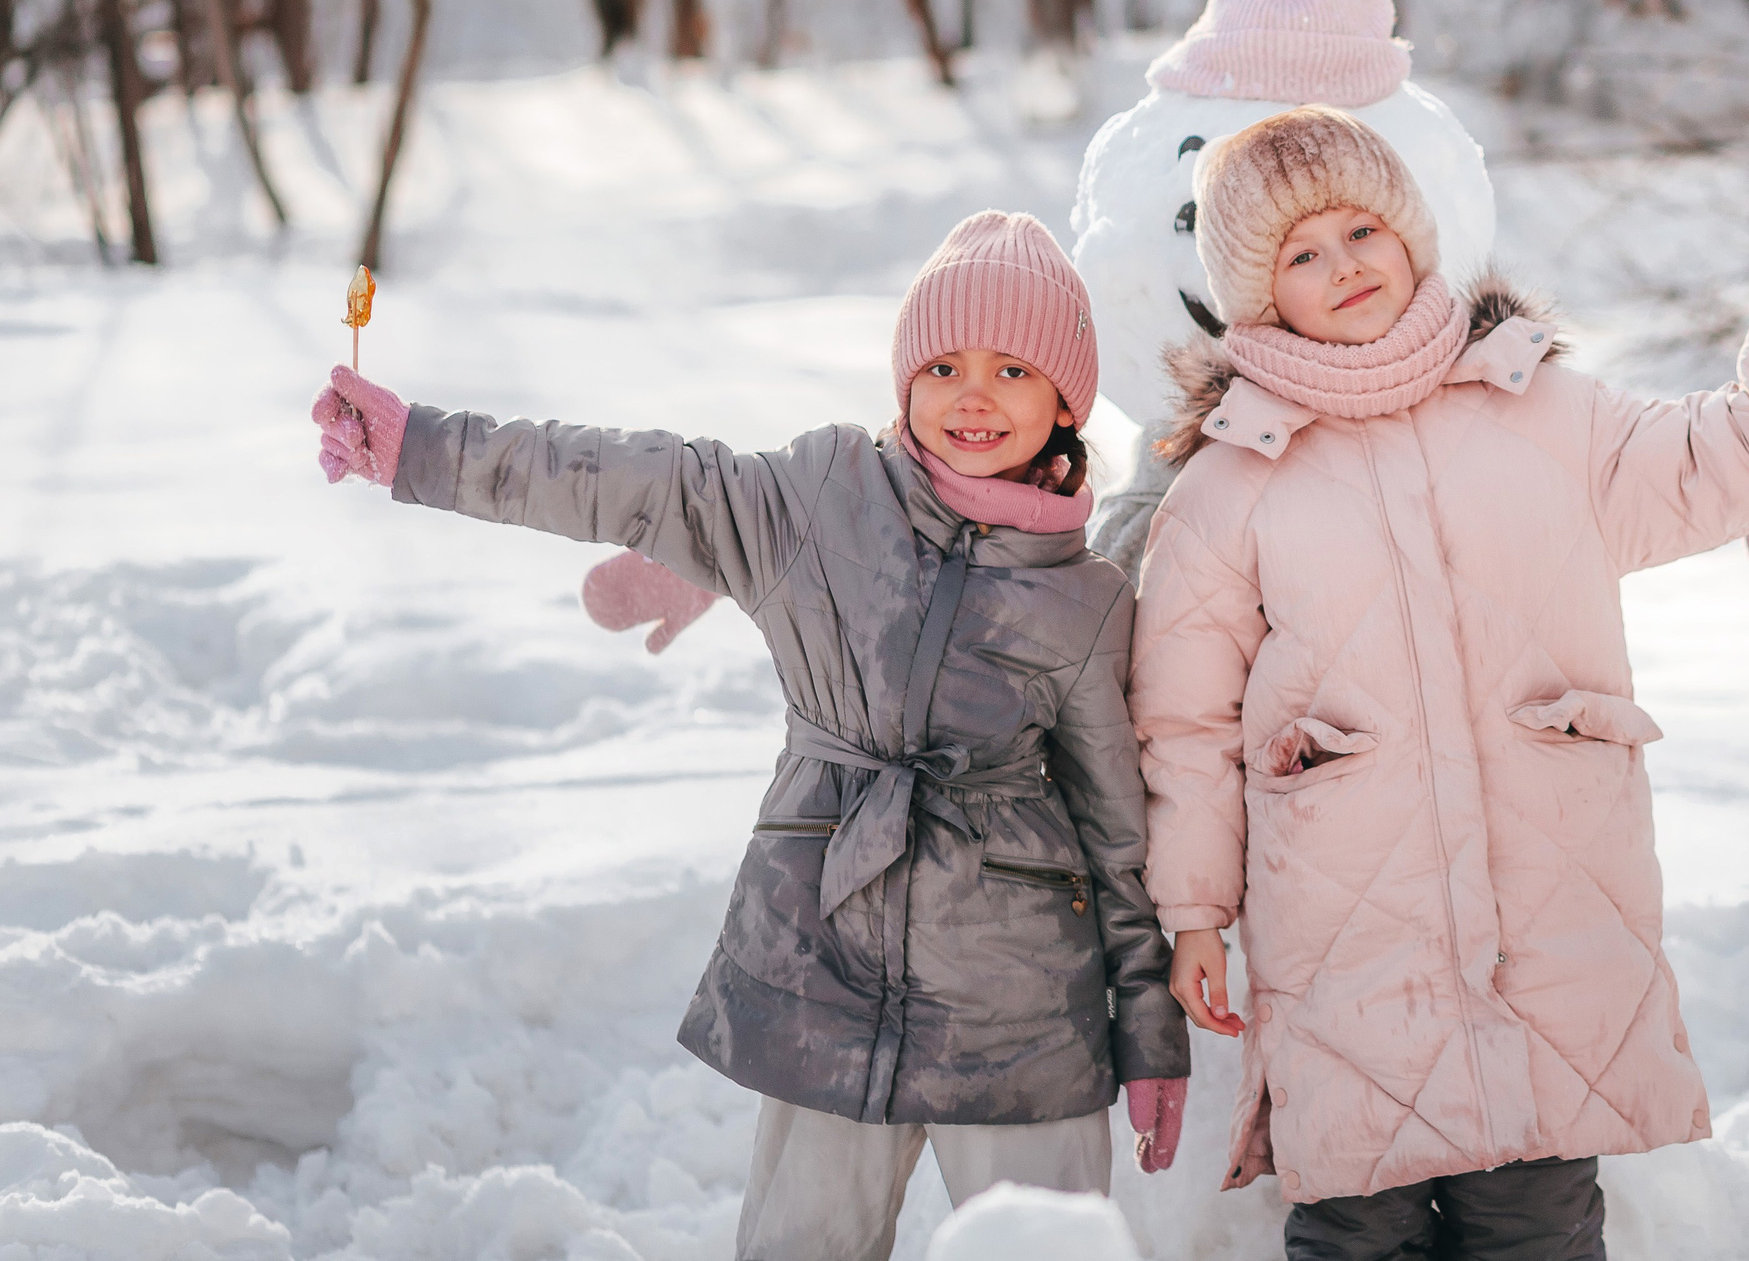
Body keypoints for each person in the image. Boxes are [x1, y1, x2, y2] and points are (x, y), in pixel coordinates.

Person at [310, 212, 1190, 1261]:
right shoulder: (823, 497)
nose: (973, 393)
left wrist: (1147, 1035)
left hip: (1019, 1013)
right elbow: (636, 476)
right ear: (904, 379)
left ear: (1064, 403)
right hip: (828, 965)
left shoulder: (1086, 600)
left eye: (1012, 368)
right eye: (944, 362)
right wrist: (422, 446)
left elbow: (1117, 838)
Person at [1129, 107, 1749, 1259]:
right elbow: (1184, 724)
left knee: (1536, 1219)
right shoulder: (1232, 483)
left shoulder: (1543, 411)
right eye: (1300, 254)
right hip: (1349, 932)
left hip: (1546, 907)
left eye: (1359, 229)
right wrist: (1194, 913)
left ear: (1409, 233)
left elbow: (1723, 456)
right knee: (1355, 1218)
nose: (1343, 265)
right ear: (1257, 292)